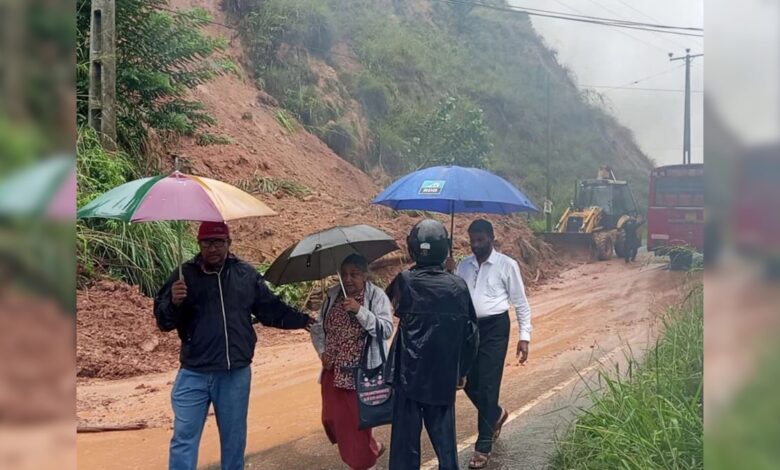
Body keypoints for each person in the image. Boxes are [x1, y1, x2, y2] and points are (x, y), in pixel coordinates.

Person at [154, 221, 314, 470]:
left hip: (234, 374)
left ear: (229, 243)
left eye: (219, 242)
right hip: (193, 373)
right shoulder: (183, 276)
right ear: (199, 245)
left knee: (233, 440)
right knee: (183, 438)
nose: (213, 248)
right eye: (207, 242)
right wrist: (173, 302)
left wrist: (304, 321)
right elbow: (163, 322)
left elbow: (270, 309)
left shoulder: (245, 274)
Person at [386, 219, 479, 470]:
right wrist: (462, 371)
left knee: (405, 449)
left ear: (412, 248)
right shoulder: (458, 286)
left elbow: (391, 305)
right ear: (445, 249)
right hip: (443, 376)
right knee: (445, 446)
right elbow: (471, 334)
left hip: (409, 377)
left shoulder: (405, 280)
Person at [446, 219, 532, 469]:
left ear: (491, 238)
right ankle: (495, 414)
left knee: (489, 383)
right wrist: (449, 273)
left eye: (480, 239)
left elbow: (521, 302)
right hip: (469, 328)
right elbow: (454, 296)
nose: (475, 244)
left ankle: (483, 445)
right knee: (467, 381)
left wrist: (524, 336)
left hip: (495, 328)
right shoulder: (463, 266)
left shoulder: (507, 265)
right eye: (472, 240)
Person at [310, 254, 394, 470]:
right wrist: (322, 352)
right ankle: (371, 446)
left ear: (365, 275)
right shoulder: (332, 295)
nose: (348, 279)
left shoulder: (376, 297)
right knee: (332, 421)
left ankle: (365, 462)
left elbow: (385, 330)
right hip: (333, 371)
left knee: (355, 429)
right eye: (344, 274)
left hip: (360, 374)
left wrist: (359, 310)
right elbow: (318, 328)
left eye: (354, 274)